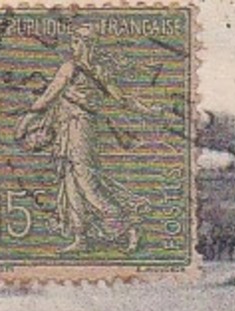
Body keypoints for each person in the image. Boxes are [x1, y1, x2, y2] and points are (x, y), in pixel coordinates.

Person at [13, 24, 147, 253]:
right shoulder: (99, 70)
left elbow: (47, 97)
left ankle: (127, 227)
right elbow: (121, 98)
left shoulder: (71, 68)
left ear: (85, 44)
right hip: (71, 129)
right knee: (70, 181)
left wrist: (25, 122)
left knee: (86, 182)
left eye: (76, 41)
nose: (73, 45)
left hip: (78, 129)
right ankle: (80, 237)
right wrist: (145, 108)